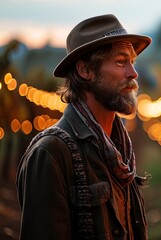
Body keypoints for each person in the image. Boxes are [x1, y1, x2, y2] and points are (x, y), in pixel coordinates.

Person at [16, 14, 152, 240]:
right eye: (121, 62)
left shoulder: (120, 149)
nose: (133, 73)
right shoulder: (50, 153)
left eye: (132, 62)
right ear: (85, 71)